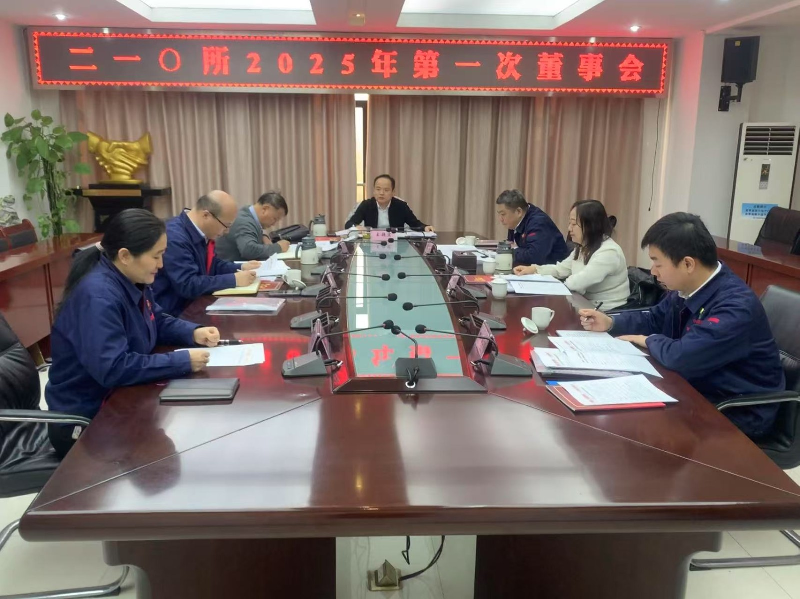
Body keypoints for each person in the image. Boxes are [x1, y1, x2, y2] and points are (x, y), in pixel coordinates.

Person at [578, 212, 784, 438]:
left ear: (687, 264)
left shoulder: (735, 306)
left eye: (658, 263)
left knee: (630, 429)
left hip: (735, 410)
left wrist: (648, 340)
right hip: (695, 389)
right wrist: (611, 322)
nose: (653, 272)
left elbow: (682, 357)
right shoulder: (688, 288)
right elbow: (654, 318)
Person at [45, 209, 219, 458]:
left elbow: (155, 319)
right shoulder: (98, 297)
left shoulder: (132, 278)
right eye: (156, 256)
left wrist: (193, 332)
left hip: (119, 401)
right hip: (87, 420)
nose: (161, 265)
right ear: (125, 255)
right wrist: (181, 361)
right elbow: (114, 368)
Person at [153, 190, 260, 316]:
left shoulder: (200, 232)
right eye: (226, 225)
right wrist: (233, 280)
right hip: (175, 314)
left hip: (196, 306)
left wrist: (241, 267)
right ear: (206, 215)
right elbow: (188, 284)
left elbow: (212, 265)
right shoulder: (175, 238)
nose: (226, 231)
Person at [513, 200, 628, 310]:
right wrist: (534, 269)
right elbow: (561, 269)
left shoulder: (608, 252)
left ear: (591, 226)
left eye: (574, 224)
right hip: (583, 305)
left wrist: (547, 287)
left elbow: (578, 282)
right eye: (569, 223)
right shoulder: (584, 247)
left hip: (607, 312)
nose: (569, 228)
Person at [495, 189, 570, 266]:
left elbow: (535, 256)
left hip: (553, 270)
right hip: (530, 269)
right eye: (499, 214)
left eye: (503, 214)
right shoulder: (514, 222)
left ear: (518, 212)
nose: (500, 219)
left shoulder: (538, 222)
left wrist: (508, 252)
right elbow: (511, 245)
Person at [215, 191, 291, 261]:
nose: (274, 224)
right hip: (229, 268)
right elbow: (248, 250)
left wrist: (263, 235)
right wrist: (278, 247)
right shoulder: (244, 221)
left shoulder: (248, 211)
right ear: (265, 209)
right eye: (274, 218)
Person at [344, 174, 434, 232]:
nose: (381, 193)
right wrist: (356, 227)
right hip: (372, 243)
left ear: (393, 192)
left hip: (396, 243)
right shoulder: (366, 205)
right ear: (374, 191)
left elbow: (415, 223)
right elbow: (349, 223)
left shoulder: (401, 206)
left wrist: (425, 227)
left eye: (386, 190)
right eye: (378, 189)